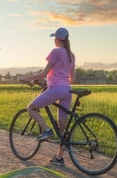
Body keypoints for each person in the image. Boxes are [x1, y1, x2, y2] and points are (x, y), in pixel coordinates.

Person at [17, 27, 76, 165]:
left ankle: (47, 130)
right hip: (67, 90)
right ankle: (59, 158)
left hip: (56, 89)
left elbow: (44, 73)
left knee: (31, 108)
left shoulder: (56, 52)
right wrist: (53, 80)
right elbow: (72, 78)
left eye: (54, 38)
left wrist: (25, 78)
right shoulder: (71, 55)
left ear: (56, 39)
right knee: (62, 126)